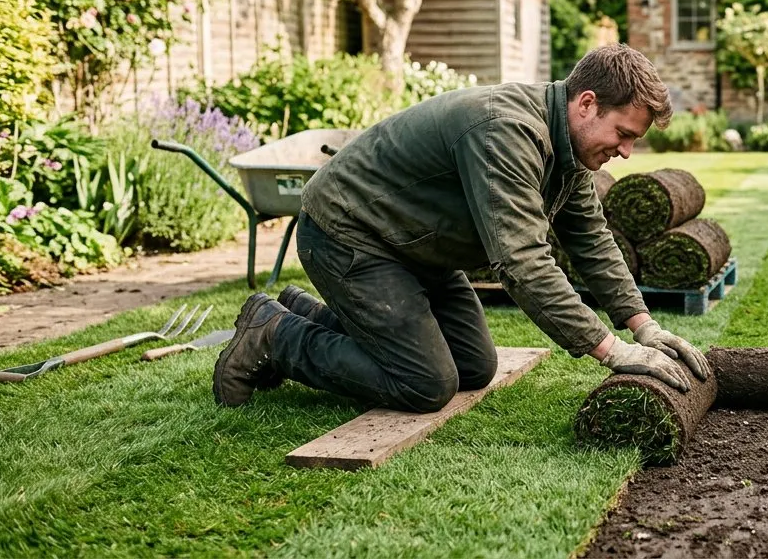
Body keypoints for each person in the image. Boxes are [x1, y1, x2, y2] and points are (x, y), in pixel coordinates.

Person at [212, 44, 710, 412]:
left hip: (417, 247)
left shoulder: (570, 148)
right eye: (623, 134)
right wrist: (611, 349)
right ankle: (274, 335)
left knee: (474, 368)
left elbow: (590, 237)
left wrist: (644, 325)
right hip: (352, 234)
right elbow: (523, 262)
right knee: (425, 383)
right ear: (585, 103)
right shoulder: (508, 130)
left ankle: (304, 312)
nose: (626, 151)